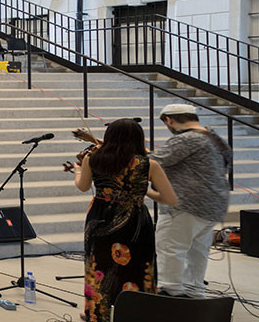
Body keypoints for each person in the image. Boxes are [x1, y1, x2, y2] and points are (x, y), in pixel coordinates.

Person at [73, 118, 178, 322]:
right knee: (139, 265)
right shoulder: (149, 165)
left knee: (98, 266)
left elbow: (83, 186)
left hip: (100, 217)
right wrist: (145, 193)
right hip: (135, 220)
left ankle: (96, 314)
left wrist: (77, 171)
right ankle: (138, 313)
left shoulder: (92, 159)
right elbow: (170, 199)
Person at [151, 103, 232, 299]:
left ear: (169, 120)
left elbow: (152, 164)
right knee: (197, 252)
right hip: (212, 206)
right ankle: (194, 295)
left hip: (185, 205)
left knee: (171, 249)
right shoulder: (215, 138)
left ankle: (171, 294)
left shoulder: (186, 139)